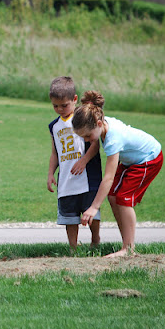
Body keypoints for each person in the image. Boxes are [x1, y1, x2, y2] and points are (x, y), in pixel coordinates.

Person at [72, 90, 163, 258]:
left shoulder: (113, 139)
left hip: (148, 159)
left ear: (99, 124)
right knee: (113, 196)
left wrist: (94, 207)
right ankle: (126, 243)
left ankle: (128, 248)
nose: (86, 140)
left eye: (87, 136)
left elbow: (108, 178)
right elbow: (95, 143)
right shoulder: (101, 124)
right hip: (131, 161)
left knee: (124, 198)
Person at [47, 76, 102, 253]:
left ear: (75, 99)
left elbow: (95, 143)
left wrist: (83, 161)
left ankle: (95, 240)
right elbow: (55, 152)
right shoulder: (54, 126)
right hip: (66, 179)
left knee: (91, 211)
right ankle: (73, 248)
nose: (60, 109)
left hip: (88, 177)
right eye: (55, 106)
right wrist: (50, 174)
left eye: (64, 105)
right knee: (69, 216)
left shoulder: (83, 118)